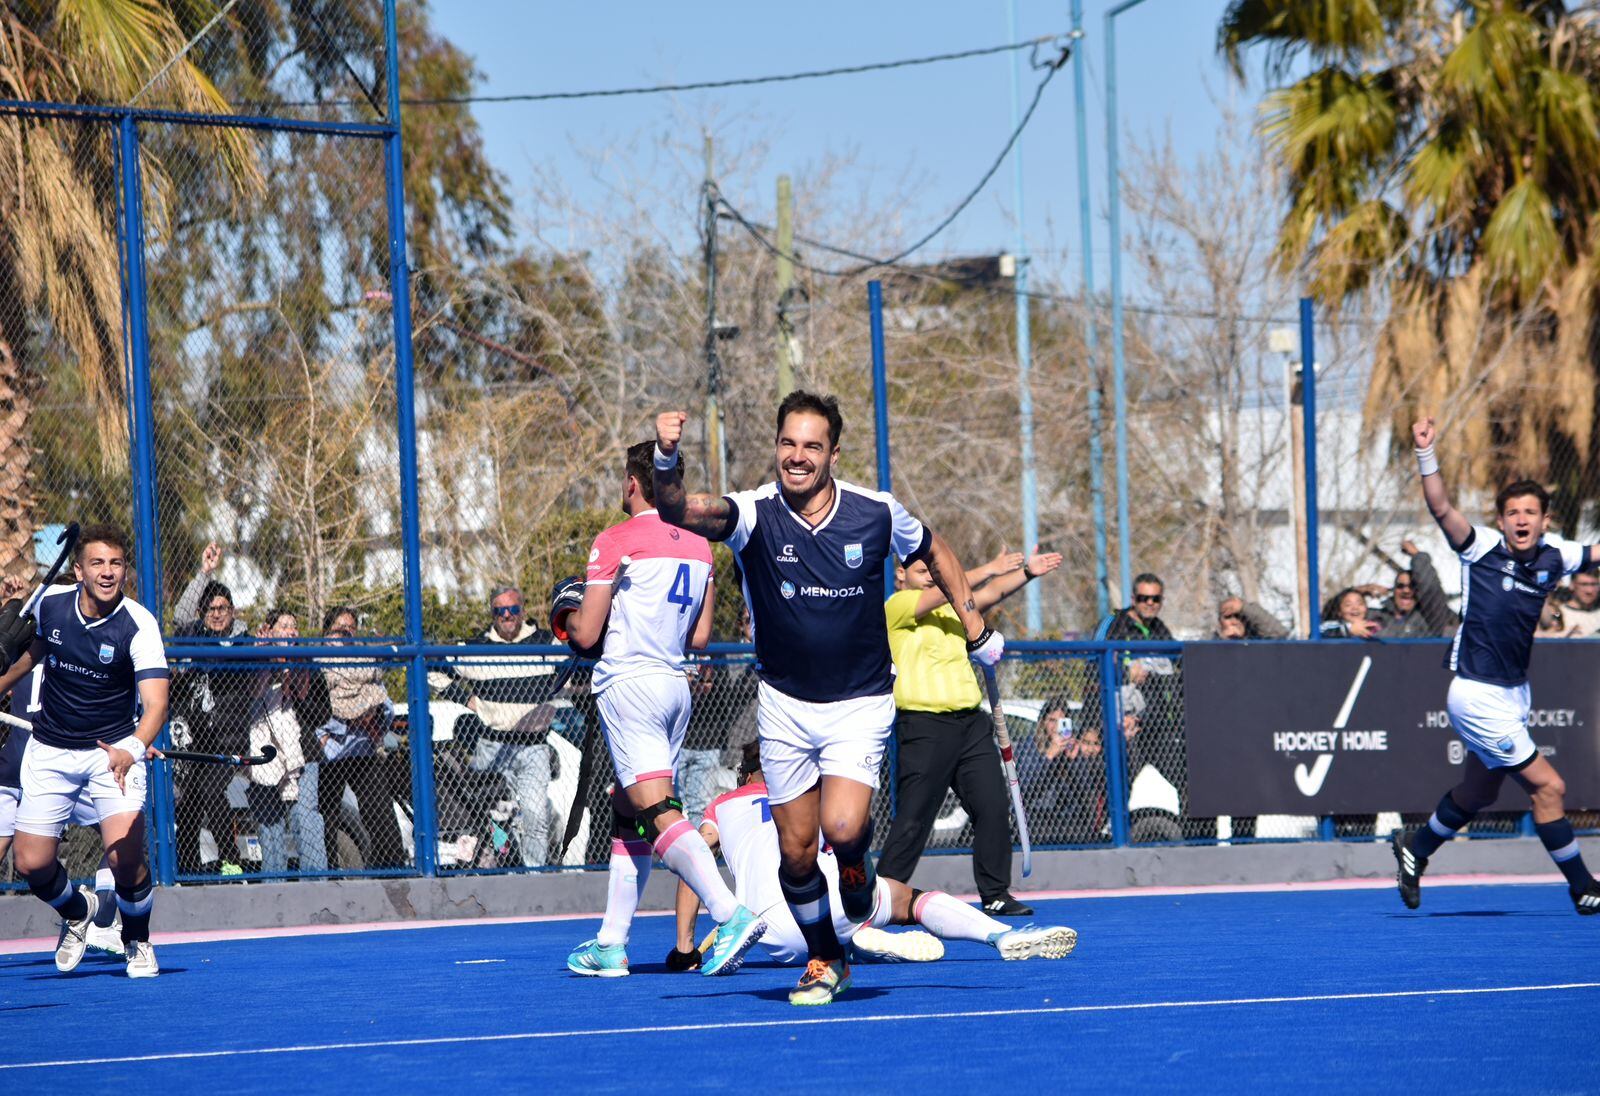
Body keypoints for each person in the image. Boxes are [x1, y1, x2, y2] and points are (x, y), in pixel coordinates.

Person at [653, 391, 1003, 1005]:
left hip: (860, 701)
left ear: (833, 454)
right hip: (784, 703)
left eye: (812, 446)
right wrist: (665, 456)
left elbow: (937, 552)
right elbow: (679, 511)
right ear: (777, 447)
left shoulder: (875, 512)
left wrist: (974, 627)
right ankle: (825, 959)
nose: (798, 456)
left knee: (842, 827)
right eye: (788, 443)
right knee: (793, 854)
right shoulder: (754, 514)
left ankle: (854, 865)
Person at [562, 440, 768, 980]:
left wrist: (564, 615)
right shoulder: (701, 546)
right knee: (628, 810)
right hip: (675, 684)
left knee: (656, 813)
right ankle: (611, 942)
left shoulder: (615, 540)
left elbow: (586, 633)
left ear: (633, 483)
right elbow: (700, 636)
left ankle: (729, 915)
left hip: (630, 683)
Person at [1392, 416, 1600, 914]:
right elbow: (1440, 506)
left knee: (1478, 790)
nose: (1521, 519)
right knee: (1549, 787)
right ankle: (1583, 886)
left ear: (1545, 520)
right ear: (1501, 520)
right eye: (1512, 512)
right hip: (1476, 693)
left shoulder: (1557, 555)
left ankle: (1414, 850)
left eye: (1531, 512)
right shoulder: (1480, 548)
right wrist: (1427, 452)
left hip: (1513, 693)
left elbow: (1594, 553)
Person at [669, 743, 1075, 969]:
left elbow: (696, 861)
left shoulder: (722, 805)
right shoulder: (812, 791)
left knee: (808, 934)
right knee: (905, 899)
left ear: (745, 774)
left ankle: (852, 946)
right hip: (839, 900)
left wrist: (684, 948)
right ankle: (997, 935)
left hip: (772, 930)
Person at [0, 525, 169, 976]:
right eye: (97, 563)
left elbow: (156, 703)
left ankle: (137, 940)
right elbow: (26, 658)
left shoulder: (138, 623)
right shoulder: (51, 605)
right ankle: (77, 911)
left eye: (115, 563)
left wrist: (133, 747)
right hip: (51, 750)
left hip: (111, 753)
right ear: (79, 570)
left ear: (125, 572)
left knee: (125, 859)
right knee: (31, 863)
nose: (108, 572)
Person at [877, 546, 1062, 917]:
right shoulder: (895, 608)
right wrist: (990, 566)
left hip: (971, 723)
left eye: (934, 569)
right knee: (915, 816)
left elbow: (990, 593)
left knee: (993, 806)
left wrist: (1026, 573)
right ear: (901, 576)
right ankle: (879, 898)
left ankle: (995, 893)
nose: (929, 574)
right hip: (925, 725)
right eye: (920, 570)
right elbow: (950, 587)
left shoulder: (954, 608)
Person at [433, 586, 563, 867]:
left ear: (523, 611)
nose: (507, 615)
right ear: (492, 614)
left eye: (513, 609)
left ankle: (533, 876)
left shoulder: (546, 642)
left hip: (534, 746)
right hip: (492, 744)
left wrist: (555, 695)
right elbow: (430, 666)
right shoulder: (475, 649)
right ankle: (504, 868)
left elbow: (575, 667)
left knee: (535, 815)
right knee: (492, 818)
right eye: (499, 611)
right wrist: (468, 700)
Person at [170, 553, 257, 873]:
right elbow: (180, 614)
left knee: (208, 790)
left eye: (223, 608)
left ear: (233, 611)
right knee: (189, 805)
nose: (217, 614)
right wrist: (204, 572)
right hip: (192, 739)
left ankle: (233, 860)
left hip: (227, 739)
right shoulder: (193, 634)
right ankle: (188, 867)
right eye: (211, 608)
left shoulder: (244, 643)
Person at [317, 606, 407, 869]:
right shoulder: (318, 663)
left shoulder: (366, 663)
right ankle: (329, 871)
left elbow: (384, 703)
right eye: (339, 629)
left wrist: (373, 716)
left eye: (351, 629)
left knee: (380, 810)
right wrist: (351, 717)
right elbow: (320, 708)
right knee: (328, 813)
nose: (345, 634)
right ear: (326, 634)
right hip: (330, 751)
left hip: (362, 748)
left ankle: (391, 868)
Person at [243, 608, 326, 875]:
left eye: (295, 626)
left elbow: (321, 711)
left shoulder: (306, 662)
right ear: (270, 630)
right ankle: (274, 884)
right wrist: (265, 659)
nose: (291, 631)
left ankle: (315, 882)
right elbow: (249, 696)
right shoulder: (254, 659)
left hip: (302, 753)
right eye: (284, 625)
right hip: (262, 752)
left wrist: (296, 683)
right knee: (270, 826)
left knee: (305, 817)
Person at [1370, 541, 1458, 637]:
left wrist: (1417, 556)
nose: (1406, 590)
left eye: (1412, 586)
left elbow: (1430, 587)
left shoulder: (1430, 617)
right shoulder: (1379, 616)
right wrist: (1359, 590)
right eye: (1400, 586)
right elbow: (1353, 610)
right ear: (1394, 590)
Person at [1213, 596, 1288, 640]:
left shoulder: (1258, 639)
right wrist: (1222, 641)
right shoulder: (1210, 644)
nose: (1234, 622)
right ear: (1219, 621)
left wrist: (1244, 608)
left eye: (1238, 616)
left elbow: (1280, 633)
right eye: (1228, 617)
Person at [1558, 570, 1600, 636]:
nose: (1589, 591)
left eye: (1594, 584)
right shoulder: (1559, 614)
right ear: (1572, 585)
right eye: (1584, 584)